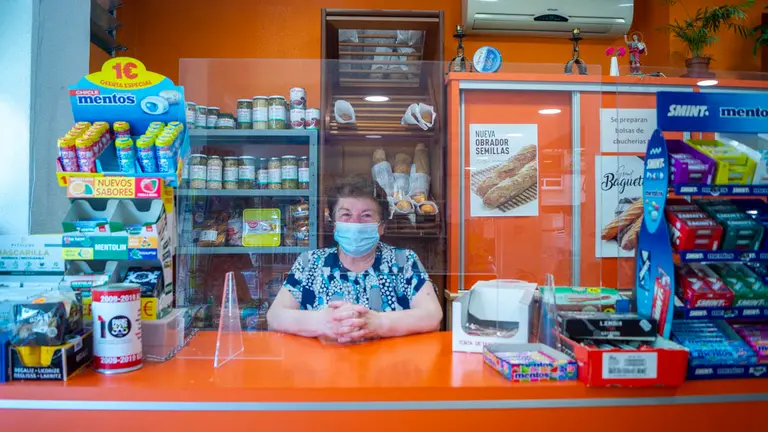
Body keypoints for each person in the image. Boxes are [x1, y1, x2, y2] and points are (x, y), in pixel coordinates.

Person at [267, 176, 443, 343]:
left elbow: (432, 316)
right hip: (322, 369)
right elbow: (274, 317)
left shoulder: (404, 261)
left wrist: (378, 323)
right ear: (333, 224)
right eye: (346, 215)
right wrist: (321, 322)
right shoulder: (310, 262)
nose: (355, 223)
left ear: (381, 226)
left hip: (390, 368)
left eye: (366, 215)